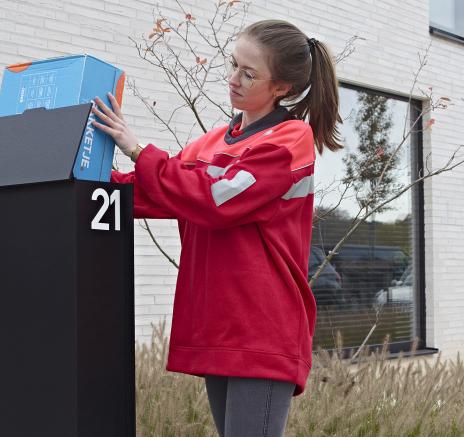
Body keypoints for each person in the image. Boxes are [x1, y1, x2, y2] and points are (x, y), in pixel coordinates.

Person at [92, 19, 342, 437]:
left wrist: (137, 149)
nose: (233, 80)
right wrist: (83, 184)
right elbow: (164, 190)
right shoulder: (211, 143)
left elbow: (214, 198)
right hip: (220, 324)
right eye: (233, 65)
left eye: (249, 73)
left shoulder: (288, 140)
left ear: (281, 87)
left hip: (261, 330)